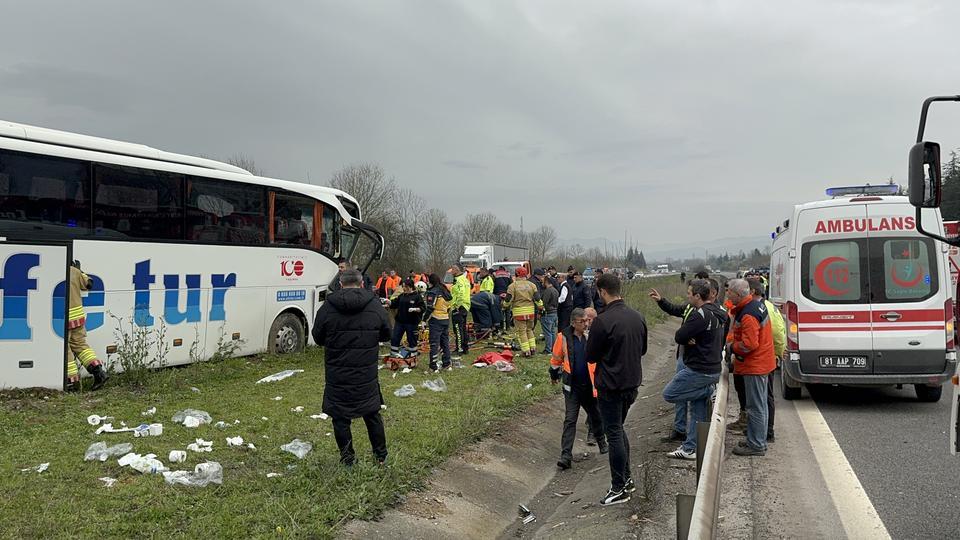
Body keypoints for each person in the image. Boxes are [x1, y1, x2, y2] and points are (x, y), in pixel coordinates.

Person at [312, 269, 391, 466]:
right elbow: (387, 333)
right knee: (372, 413)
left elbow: (318, 337)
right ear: (362, 283)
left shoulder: (328, 307)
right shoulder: (374, 304)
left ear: (340, 283)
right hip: (366, 372)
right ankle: (380, 457)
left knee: (340, 417)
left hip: (337, 372)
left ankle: (348, 460)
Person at [586, 274, 648, 506]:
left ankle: (619, 487)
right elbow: (642, 349)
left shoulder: (603, 320)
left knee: (613, 433)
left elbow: (590, 355)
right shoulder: (637, 317)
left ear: (602, 292)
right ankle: (627, 480)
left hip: (611, 385)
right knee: (618, 430)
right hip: (632, 383)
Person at [662, 280, 726, 460]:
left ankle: (709, 391)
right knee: (697, 407)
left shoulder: (699, 315)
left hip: (699, 369)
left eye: (689, 293)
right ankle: (691, 448)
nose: (687, 296)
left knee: (669, 394)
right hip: (713, 366)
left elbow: (680, 335)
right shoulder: (719, 311)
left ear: (698, 296)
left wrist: (689, 337)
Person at [725, 279, 776, 456]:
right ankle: (757, 439)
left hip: (755, 365)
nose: (727, 295)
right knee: (759, 405)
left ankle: (756, 444)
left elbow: (749, 344)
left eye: (729, 292)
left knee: (755, 407)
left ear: (738, 294)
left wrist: (732, 347)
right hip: (762, 362)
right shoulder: (755, 306)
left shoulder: (748, 315)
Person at [550, 308, 607, 470]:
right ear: (574, 322)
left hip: (590, 386)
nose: (586, 324)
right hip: (572, 387)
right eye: (582, 321)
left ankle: (602, 443)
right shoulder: (563, 338)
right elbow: (556, 359)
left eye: (587, 320)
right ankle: (566, 455)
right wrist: (554, 375)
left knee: (595, 416)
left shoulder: (591, 336)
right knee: (570, 420)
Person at [649, 285, 696, 443]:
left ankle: (692, 434)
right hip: (683, 357)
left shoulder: (706, 312)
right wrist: (661, 301)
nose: (687, 296)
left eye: (689, 293)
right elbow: (675, 309)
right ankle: (680, 428)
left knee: (690, 395)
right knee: (680, 395)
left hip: (693, 360)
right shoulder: (690, 307)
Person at [747, 278, 784, 442]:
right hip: (769, 355)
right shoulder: (767, 305)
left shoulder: (762, 308)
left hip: (766, 357)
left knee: (765, 397)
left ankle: (767, 431)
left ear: (753, 292)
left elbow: (776, 332)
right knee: (765, 397)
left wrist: (777, 353)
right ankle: (764, 430)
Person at [66, 261, 109, 390]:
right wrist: (80, 271)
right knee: (80, 345)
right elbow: (88, 284)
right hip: (78, 317)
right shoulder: (74, 271)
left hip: (63, 319)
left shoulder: (52, 270)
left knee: (65, 350)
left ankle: (72, 383)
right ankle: (99, 373)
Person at [504, 267, 543, 357]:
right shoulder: (532, 285)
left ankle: (526, 351)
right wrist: (541, 306)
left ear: (516, 274)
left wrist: (504, 306)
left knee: (522, 332)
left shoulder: (512, 286)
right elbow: (537, 298)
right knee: (529, 330)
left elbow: (508, 299)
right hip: (530, 311)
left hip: (519, 312)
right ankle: (532, 348)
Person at [387, 279, 426, 357]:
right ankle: (394, 353)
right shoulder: (402, 295)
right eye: (403, 286)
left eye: (405, 286)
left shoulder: (417, 296)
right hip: (400, 321)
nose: (403, 288)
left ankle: (413, 355)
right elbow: (395, 303)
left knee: (412, 339)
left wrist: (415, 309)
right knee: (395, 337)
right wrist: (388, 302)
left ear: (410, 287)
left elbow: (423, 308)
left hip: (412, 322)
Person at [425, 273, 453, 371]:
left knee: (434, 343)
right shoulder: (446, 291)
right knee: (445, 342)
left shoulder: (433, 292)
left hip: (435, 320)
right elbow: (449, 306)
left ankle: (433, 366)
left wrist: (424, 320)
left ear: (431, 281)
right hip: (445, 319)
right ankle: (447, 363)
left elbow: (430, 308)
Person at [449, 264, 471, 357]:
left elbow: (461, 293)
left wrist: (457, 305)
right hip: (465, 306)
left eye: (452, 269)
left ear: (456, 270)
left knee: (458, 328)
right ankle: (465, 348)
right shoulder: (465, 279)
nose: (451, 272)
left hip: (459, 307)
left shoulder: (459, 280)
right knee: (463, 328)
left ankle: (460, 349)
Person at [539, 272, 559, 355]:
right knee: (552, 332)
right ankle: (554, 348)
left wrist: (540, 312)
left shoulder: (548, 291)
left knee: (547, 333)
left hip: (547, 314)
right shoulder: (555, 290)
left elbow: (544, 303)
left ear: (546, 282)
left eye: (543, 281)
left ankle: (548, 349)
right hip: (554, 313)